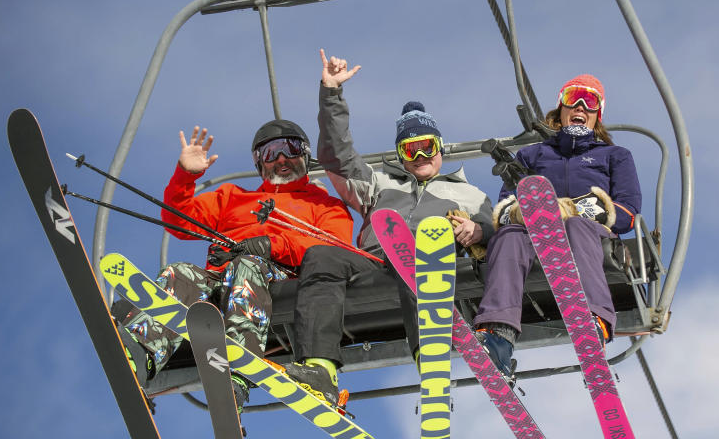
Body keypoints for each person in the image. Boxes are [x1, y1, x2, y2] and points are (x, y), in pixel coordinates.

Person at [281, 49, 495, 406]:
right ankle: (320, 368)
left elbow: (492, 230)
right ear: (400, 155)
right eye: (410, 150)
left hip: (432, 263)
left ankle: (430, 358)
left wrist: (478, 231)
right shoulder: (380, 184)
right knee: (321, 256)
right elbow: (337, 157)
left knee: (420, 250)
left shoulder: (468, 193)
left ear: (440, 147)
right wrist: (331, 93)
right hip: (378, 260)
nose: (421, 156)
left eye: (427, 146)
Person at [117, 120, 354, 409]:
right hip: (221, 278)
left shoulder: (324, 205)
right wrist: (186, 176)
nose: (281, 158)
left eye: (290, 149)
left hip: (281, 278)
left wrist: (270, 246)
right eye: (269, 153)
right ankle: (141, 355)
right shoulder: (233, 198)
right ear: (259, 163)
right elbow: (179, 221)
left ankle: (239, 373)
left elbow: (332, 248)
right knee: (178, 274)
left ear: (304, 155)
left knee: (248, 266)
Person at [470, 74, 642, 375]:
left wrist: (570, 209)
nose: (580, 106)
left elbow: (627, 212)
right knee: (509, 236)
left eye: (590, 102)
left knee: (576, 226)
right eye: (573, 97)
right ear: (561, 106)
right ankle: (498, 334)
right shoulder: (531, 155)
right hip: (534, 237)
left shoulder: (613, 156)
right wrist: (522, 213)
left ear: (598, 113)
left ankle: (592, 323)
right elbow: (505, 208)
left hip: (588, 234)